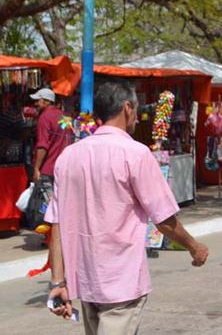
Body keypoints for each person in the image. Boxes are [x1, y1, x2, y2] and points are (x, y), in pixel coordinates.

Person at [46, 80, 208, 333]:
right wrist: (194, 247)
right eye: (137, 109)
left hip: (87, 282)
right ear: (127, 108)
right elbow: (164, 220)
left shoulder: (69, 156)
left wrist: (58, 280)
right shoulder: (135, 154)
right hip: (120, 283)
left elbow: (57, 223)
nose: (137, 117)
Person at [31, 88, 72, 216]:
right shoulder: (65, 116)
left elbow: (42, 145)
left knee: (51, 207)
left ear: (47, 101)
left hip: (48, 168)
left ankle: (54, 229)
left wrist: (36, 168)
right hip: (65, 166)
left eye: (38, 100)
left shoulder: (44, 117)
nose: (36, 104)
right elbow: (69, 138)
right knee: (63, 204)